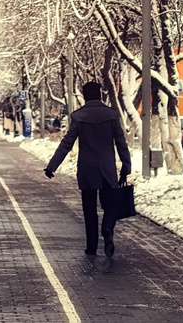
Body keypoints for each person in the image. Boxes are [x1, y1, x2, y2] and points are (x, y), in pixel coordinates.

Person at [44, 81, 132, 258]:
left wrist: (52, 165)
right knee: (111, 204)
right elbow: (121, 143)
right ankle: (107, 228)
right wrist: (126, 166)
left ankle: (91, 246)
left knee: (89, 209)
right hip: (107, 168)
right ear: (100, 95)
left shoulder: (78, 116)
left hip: (87, 168)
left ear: (85, 96)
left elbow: (67, 143)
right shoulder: (112, 115)